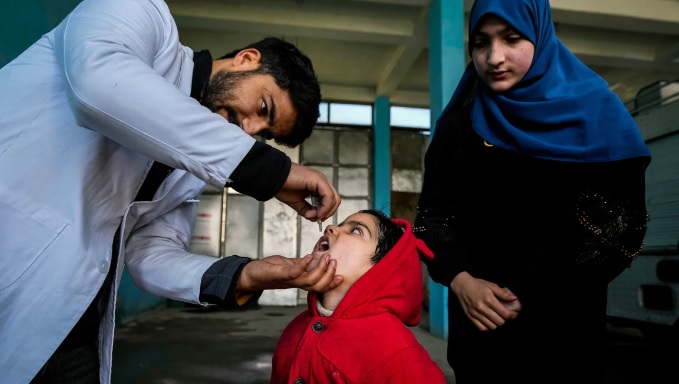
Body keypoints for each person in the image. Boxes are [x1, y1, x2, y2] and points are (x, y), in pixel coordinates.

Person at [0, 0, 343, 383]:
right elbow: (97, 85)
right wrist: (270, 172)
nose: (248, 130)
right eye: (262, 107)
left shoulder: (194, 169)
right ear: (247, 59)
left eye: (264, 135)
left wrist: (245, 275)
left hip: (69, 330)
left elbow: (150, 255)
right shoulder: (142, 15)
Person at [413, 0, 652, 383]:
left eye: (511, 39)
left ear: (540, 37)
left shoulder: (597, 115)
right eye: (480, 42)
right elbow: (432, 218)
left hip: (565, 331)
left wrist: (530, 290)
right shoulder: (460, 126)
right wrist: (460, 279)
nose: (494, 57)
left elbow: (621, 229)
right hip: (480, 333)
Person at [271, 209, 447, 384]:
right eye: (340, 225)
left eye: (356, 231)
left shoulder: (398, 358)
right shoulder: (295, 328)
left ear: (383, 268)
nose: (330, 228)